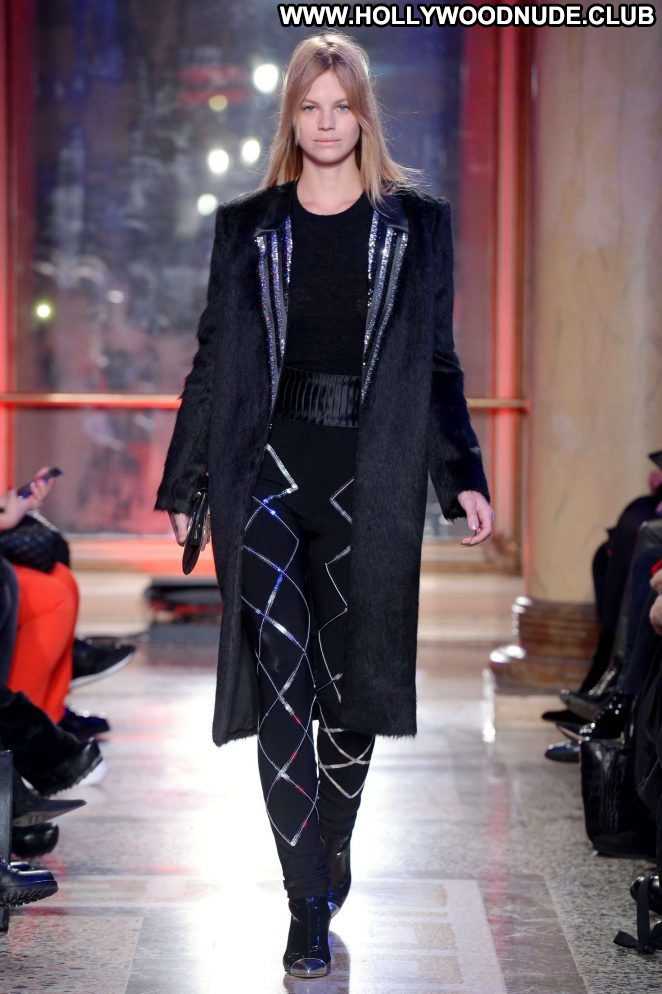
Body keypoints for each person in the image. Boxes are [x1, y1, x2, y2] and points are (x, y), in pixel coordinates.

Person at [154, 31, 493, 979]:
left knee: (349, 693)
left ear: (363, 115)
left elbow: (437, 364)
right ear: (292, 118)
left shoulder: (415, 227)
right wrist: (187, 482)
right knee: (283, 685)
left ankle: (330, 842)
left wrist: (462, 474)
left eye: (342, 105)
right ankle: (305, 900)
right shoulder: (248, 227)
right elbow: (215, 361)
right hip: (263, 473)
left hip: (369, 481)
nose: (327, 122)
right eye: (311, 106)